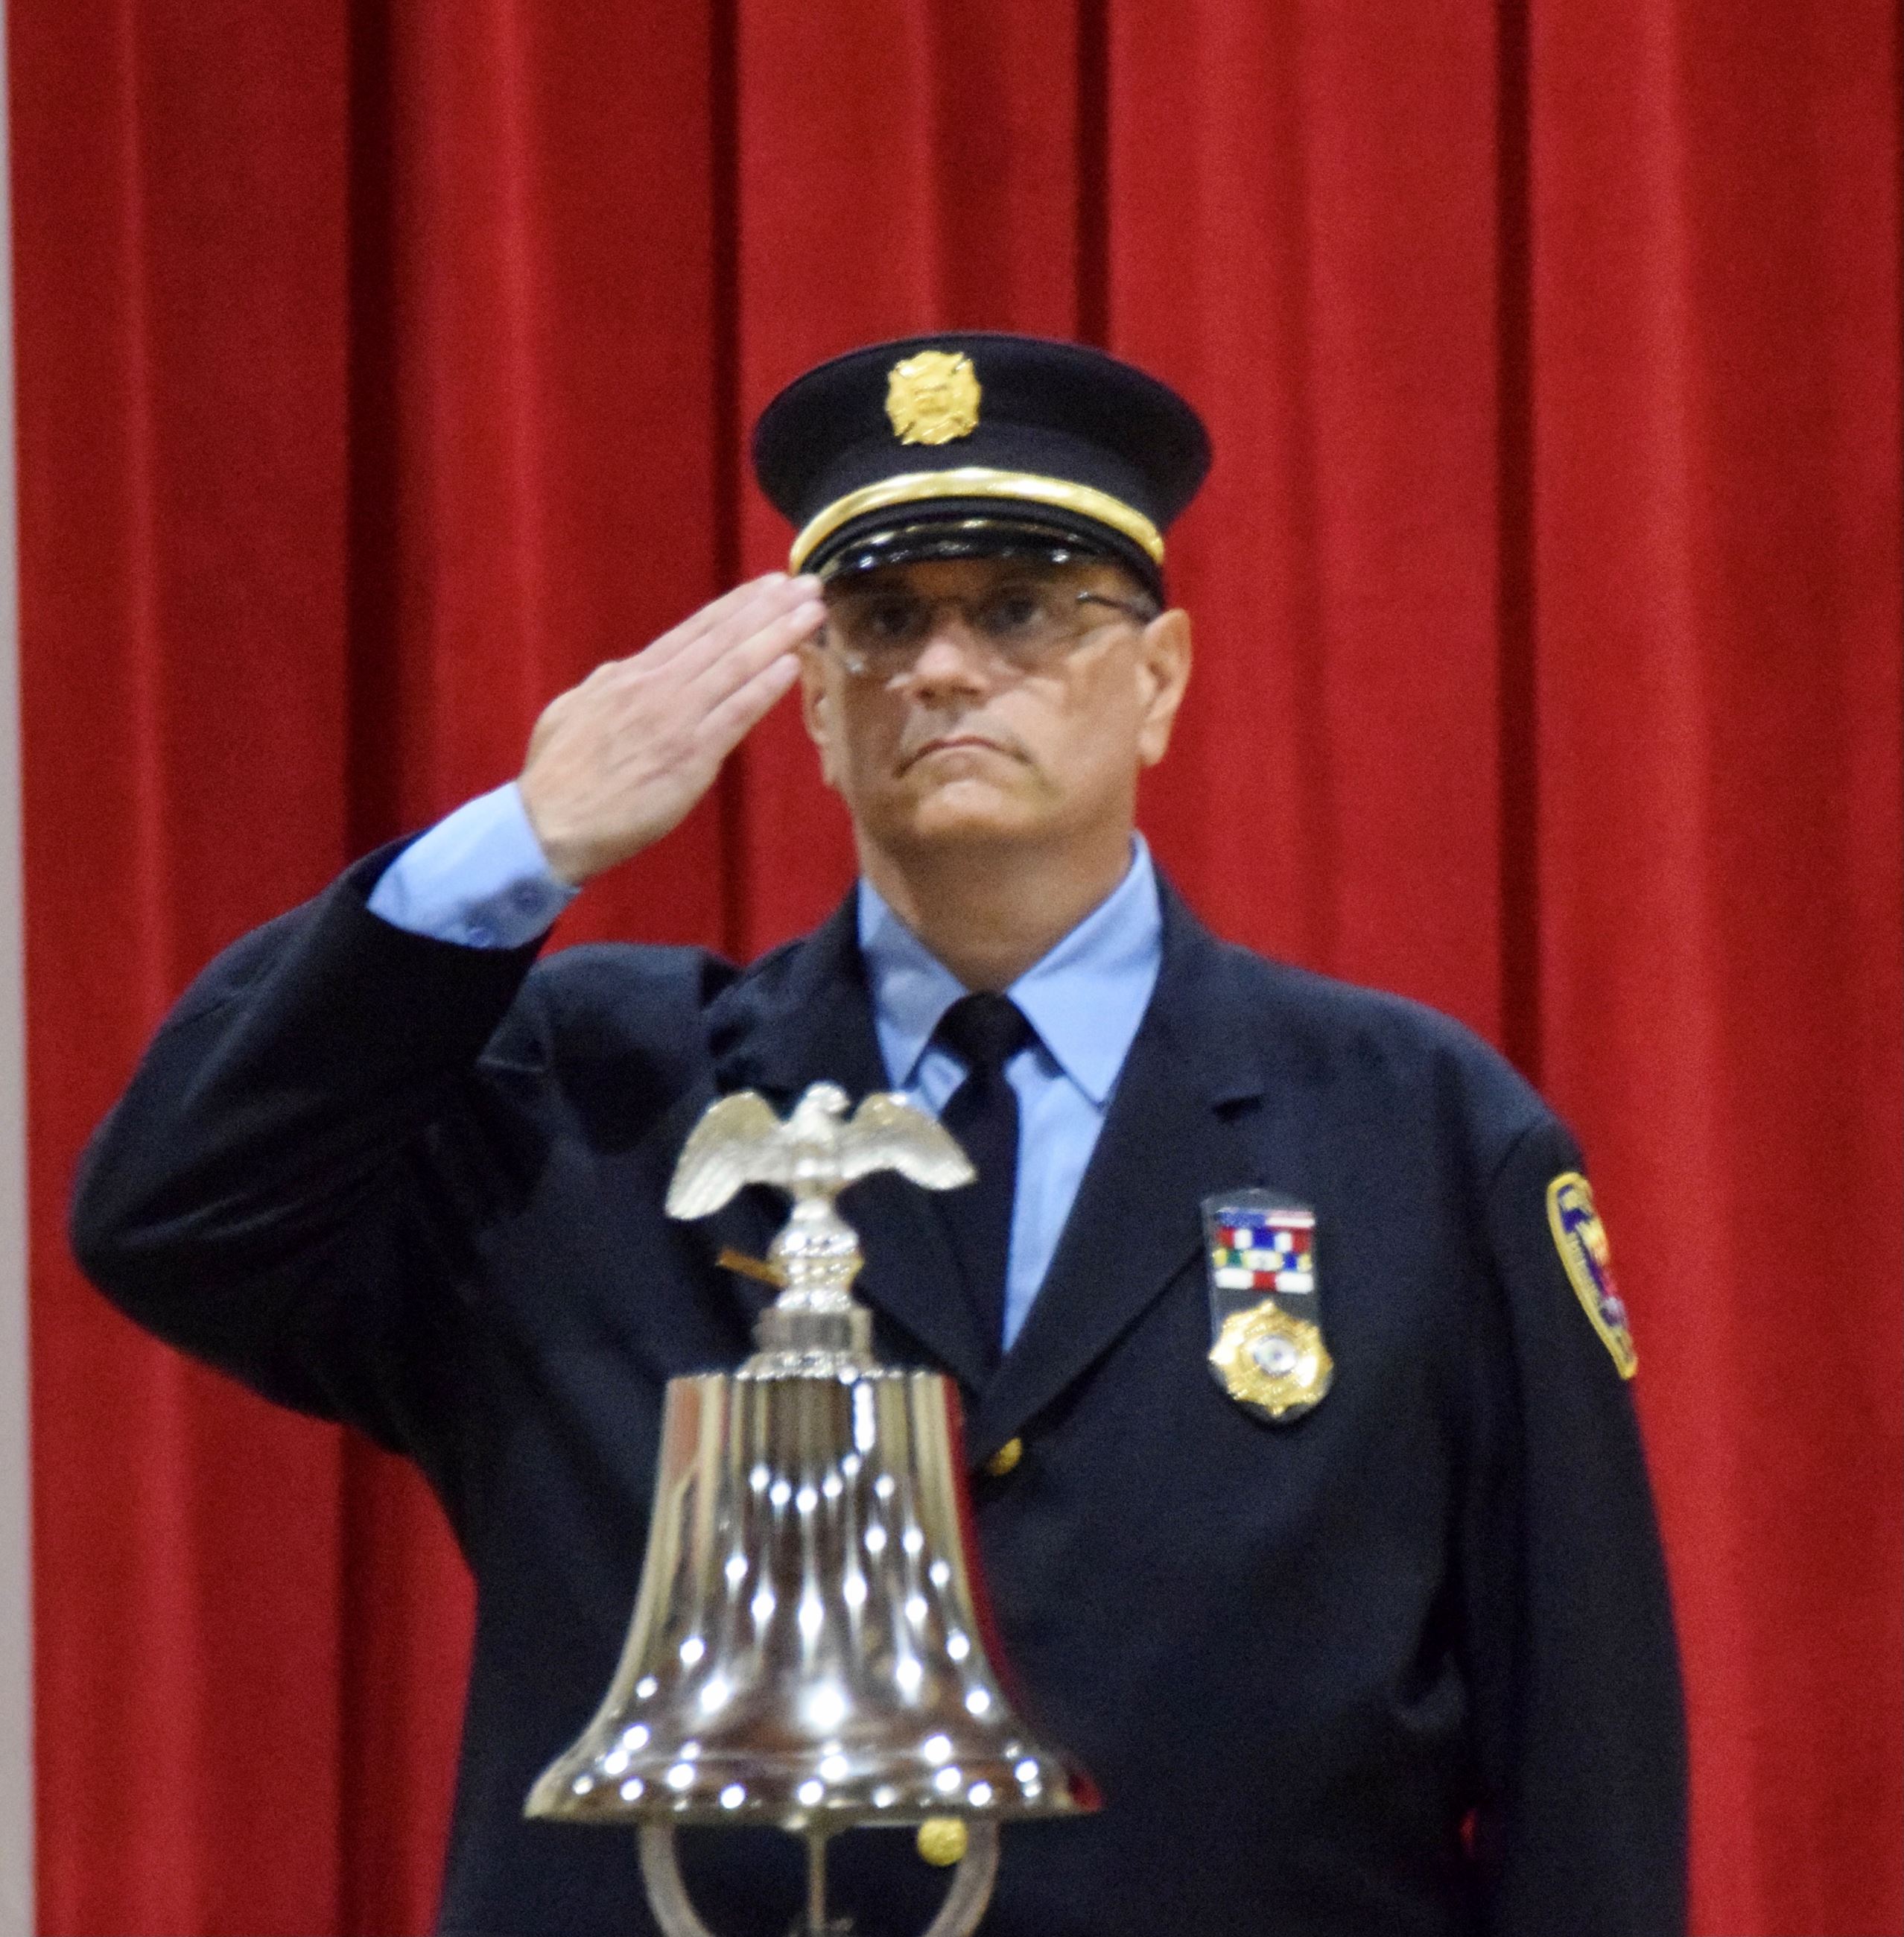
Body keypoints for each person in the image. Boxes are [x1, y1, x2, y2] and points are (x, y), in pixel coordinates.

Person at [72, 333, 1686, 1937]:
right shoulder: (591, 1101)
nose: (943, 669)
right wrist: (520, 845)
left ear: (1163, 679)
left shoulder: (1415, 1128)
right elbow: (174, 1218)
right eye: (884, 621)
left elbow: (1584, 1749)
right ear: (820, 710)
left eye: (1022, 611)